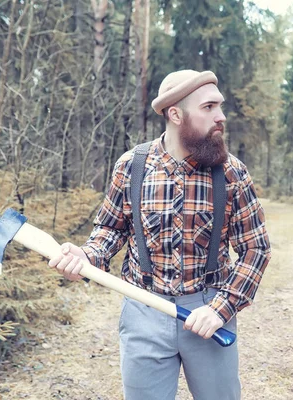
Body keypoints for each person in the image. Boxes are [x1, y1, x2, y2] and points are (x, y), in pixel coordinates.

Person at [48, 69, 271, 400]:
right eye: (209, 107)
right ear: (176, 114)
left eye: (220, 106)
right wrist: (88, 256)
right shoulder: (132, 166)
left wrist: (220, 308)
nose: (221, 116)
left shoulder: (232, 173)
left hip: (207, 312)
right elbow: (110, 229)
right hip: (143, 311)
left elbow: (257, 249)